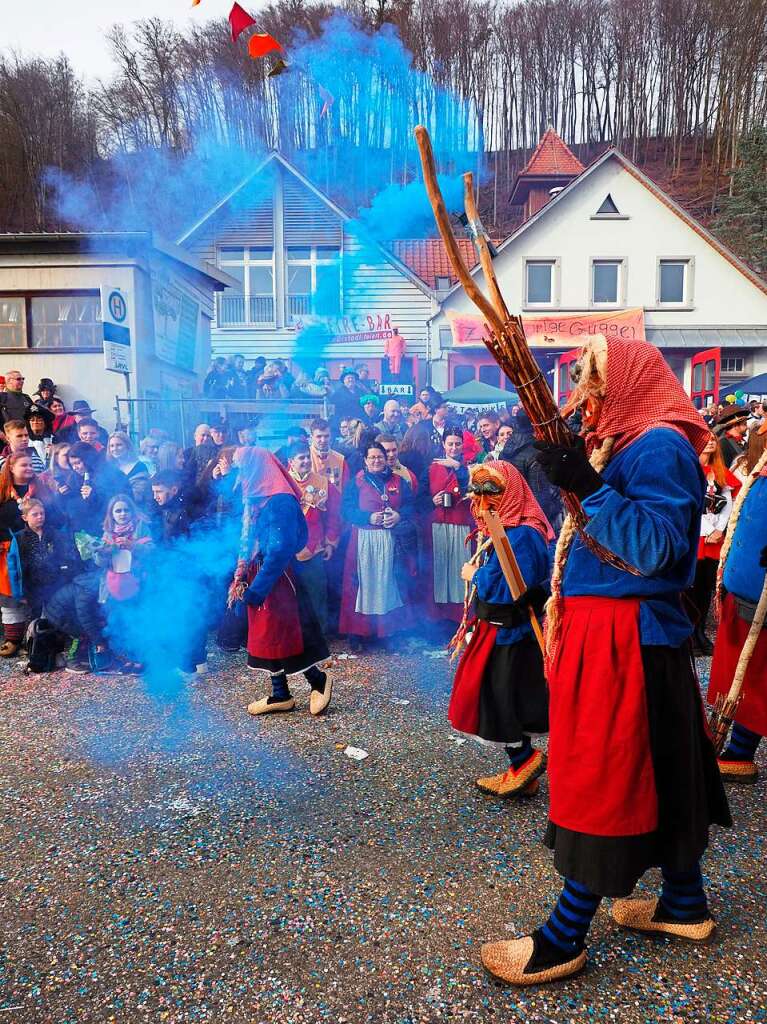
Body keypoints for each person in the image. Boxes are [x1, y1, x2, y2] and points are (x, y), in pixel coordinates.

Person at [480, 336, 730, 986]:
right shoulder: (627, 443)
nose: (585, 400)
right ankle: (683, 902)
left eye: (594, 385)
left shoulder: (658, 446)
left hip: (628, 642)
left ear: (625, 383)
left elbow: (655, 547)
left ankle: (563, 937)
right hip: (626, 639)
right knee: (666, 770)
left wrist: (589, 486)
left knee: (604, 776)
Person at [448, 460, 552, 797]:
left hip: (508, 631)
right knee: (509, 696)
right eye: (476, 493)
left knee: (496, 697)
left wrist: (473, 575)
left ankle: (524, 760)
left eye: (490, 493)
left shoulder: (521, 533)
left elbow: (509, 590)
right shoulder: (506, 526)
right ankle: (523, 770)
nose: (481, 502)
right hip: (501, 627)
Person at [228, 447, 332, 717]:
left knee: (289, 635)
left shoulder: (279, 501)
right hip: (261, 573)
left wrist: (258, 589)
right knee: (267, 637)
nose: (240, 473)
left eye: (242, 466)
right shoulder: (258, 498)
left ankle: (319, 682)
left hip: (278, 579)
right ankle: (280, 694)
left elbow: (281, 548)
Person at [707, 425, 767, 783]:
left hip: (761, 601)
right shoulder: (758, 468)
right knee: (741, 677)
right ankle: (740, 749)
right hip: (743, 593)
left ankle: (742, 748)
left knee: (757, 679)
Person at [339, 441, 415, 641]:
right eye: (372, 457)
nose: (376, 460)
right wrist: (367, 517)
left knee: (389, 583)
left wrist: (398, 516)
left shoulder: (398, 481)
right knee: (362, 586)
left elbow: (411, 506)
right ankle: (360, 634)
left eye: (379, 456)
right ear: (365, 460)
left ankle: (388, 633)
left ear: (386, 458)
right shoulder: (356, 482)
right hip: (363, 540)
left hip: (391, 539)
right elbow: (346, 510)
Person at [0, 453, 57, 655]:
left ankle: (37, 638)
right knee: (11, 593)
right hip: (7, 548)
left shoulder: (40, 489)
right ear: (11, 468)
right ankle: (12, 639)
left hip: (36, 543)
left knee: (37, 593)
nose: (28, 468)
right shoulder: (2, 491)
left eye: (30, 464)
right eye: (23, 465)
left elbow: (53, 514)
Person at [687, 434, 737, 656]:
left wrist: (720, 529)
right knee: (691, 587)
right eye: (705, 439)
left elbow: (728, 503)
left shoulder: (720, 473)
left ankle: (699, 633)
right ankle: (689, 635)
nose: (710, 442)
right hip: (694, 537)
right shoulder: (688, 471)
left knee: (706, 587)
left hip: (714, 540)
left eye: (713, 439)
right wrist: (704, 531)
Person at [287, 442, 341, 634]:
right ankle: (294, 640)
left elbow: (334, 516)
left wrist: (331, 543)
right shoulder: (282, 483)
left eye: (307, 457)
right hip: (287, 551)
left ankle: (320, 639)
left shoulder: (323, 483)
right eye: (301, 458)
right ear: (290, 462)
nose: (306, 461)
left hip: (314, 548)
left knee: (317, 594)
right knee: (289, 599)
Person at [424, 429, 474, 623]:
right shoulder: (431, 467)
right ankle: (439, 618)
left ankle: (461, 617)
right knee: (439, 571)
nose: (454, 448)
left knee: (460, 573)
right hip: (437, 525)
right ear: (444, 445)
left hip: (462, 524)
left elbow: (473, 489)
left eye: (457, 444)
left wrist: (459, 468)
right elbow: (419, 498)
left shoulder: (470, 468)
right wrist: (432, 500)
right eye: (450, 444)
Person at [16, 496, 81, 619]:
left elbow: (64, 557)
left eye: (42, 513)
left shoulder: (54, 534)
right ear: (25, 518)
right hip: (33, 587)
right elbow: (19, 567)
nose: (40, 517)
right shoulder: (20, 538)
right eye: (35, 515)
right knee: (37, 619)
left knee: (58, 616)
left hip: (55, 584)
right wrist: (22, 591)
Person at [499, 410, 564, 532]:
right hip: (532, 522)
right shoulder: (535, 453)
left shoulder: (505, 451)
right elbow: (540, 497)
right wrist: (556, 507)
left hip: (511, 516)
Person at [61, 442, 123, 535]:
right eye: (72, 464)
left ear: (88, 460)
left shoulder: (110, 473)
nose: (75, 468)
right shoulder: (73, 478)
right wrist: (61, 494)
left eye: (78, 463)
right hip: (83, 531)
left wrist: (94, 495)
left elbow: (119, 499)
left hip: (109, 528)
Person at [309, 418, 349, 492]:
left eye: (326, 436)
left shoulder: (340, 460)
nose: (323, 440)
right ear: (311, 437)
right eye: (319, 436)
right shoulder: (301, 458)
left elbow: (346, 490)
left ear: (330, 436)